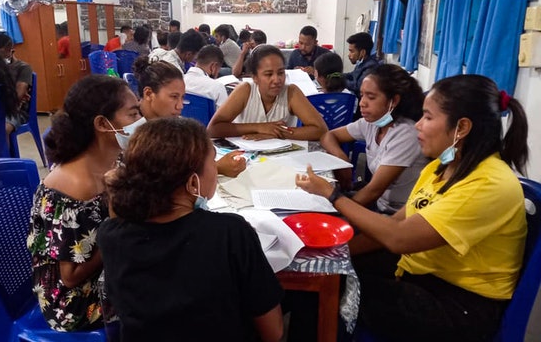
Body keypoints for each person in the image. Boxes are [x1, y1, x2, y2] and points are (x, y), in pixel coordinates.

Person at [295, 74, 529, 342]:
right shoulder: (439, 168)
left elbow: (398, 238)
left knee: (327, 288)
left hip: (456, 304)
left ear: (461, 128)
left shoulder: (488, 183)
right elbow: (393, 224)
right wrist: (336, 254)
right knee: (323, 270)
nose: (418, 124)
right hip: (418, 273)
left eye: (428, 117)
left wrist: (333, 195)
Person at [100, 117, 284, 342]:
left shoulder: (111, 235)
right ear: (193, 183)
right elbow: (273, 333)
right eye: (213, 162)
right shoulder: (231, 234)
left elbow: (119, 216)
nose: (216, 170)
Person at [29, 74, 139, 331]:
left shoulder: (114, 158)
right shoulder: (76, 186)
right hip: (76, 303)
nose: (139, 122)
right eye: (133, 115)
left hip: (106, 270)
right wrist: (120, 223)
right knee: (168, 288)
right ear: (102, 123)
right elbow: (70, 278)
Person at [322, 65, 426, 211]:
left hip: (396, 214)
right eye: (362, 95)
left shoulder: (406, 134)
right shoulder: (372, 123)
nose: (362, 103)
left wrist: (339, 213)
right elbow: (328, 135)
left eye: (371, 97)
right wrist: (342, 158)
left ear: (393, 101)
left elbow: (373, 191)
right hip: (379, 204)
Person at [206, 44, 328, 141]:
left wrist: (276, 133)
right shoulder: (245, 91)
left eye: (281, 72)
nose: (277, 80)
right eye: (269, 74)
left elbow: (320, 129)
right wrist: (259, 127)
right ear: (255, 77)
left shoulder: (291, 92)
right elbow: (213, 129)